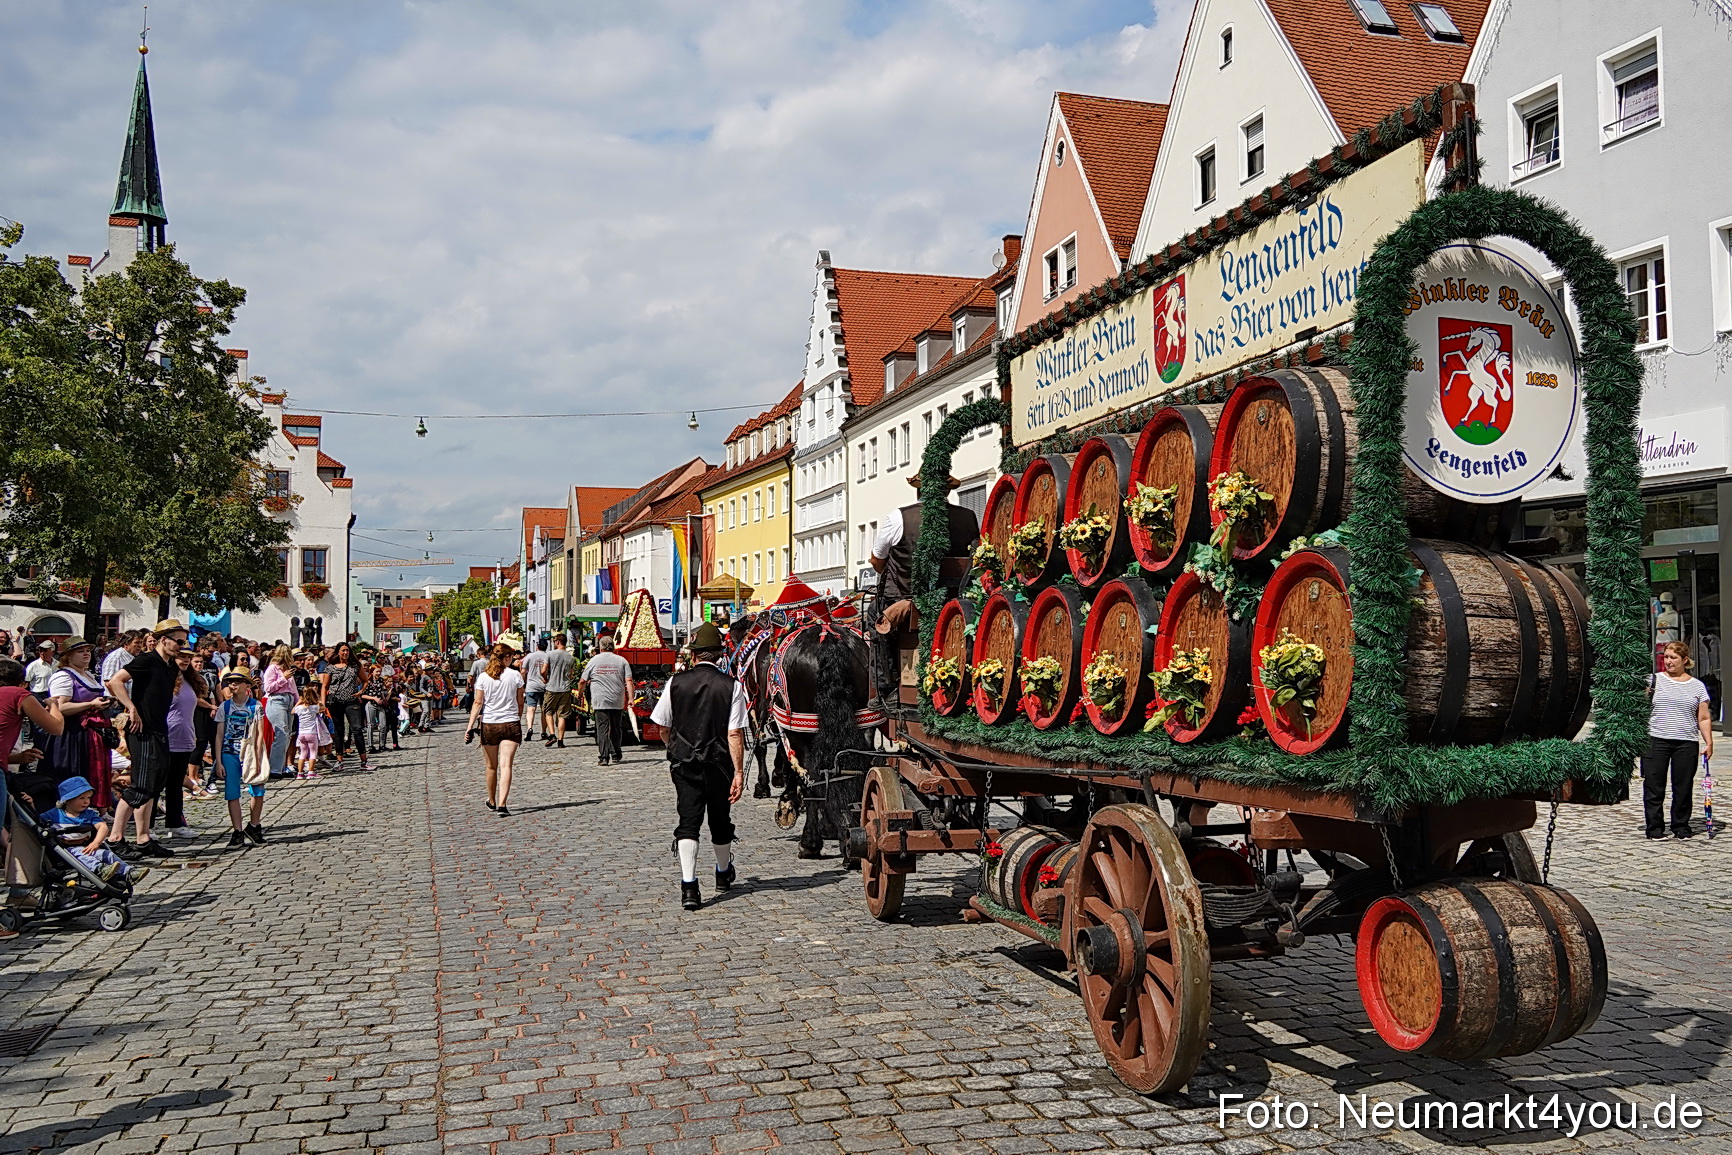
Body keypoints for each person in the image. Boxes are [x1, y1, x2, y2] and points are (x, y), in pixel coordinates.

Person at [650, 622, 748, 911]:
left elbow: (662, 725)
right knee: (720, 819)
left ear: (694, 655)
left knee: (688, 821)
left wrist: (674, 748)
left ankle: (689, 887)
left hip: (684, 764)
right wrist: (740, 772)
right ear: (719, 655)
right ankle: (721, 873)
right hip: (719, 764)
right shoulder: (732, 686)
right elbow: (734, 734)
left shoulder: (675, 683)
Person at [868, 472, 979, 699]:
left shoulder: (900, 517)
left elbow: (877, 560)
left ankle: (885, 688)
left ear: (919, 490)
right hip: (955, 599)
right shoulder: (969, 517)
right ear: (947, 492)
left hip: (906, 600)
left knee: (873, 615)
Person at [105, 619, 189, 861]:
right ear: (164, 639)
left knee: (154, 784)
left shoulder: (170, 666)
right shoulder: (147, 660)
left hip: (158, 729)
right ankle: (116, 838)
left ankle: (143, 839)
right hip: (142, 730)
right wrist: (130, 707)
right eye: (178, 642)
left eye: (184, 642)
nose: (181, 646)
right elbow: (115, 681)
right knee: (140, 784)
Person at [1643, 640, 1713, 840]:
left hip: (1686, 741)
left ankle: (1681, 825)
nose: (1668, 661)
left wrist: (1709, 742)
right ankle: (1654, 828)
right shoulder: (1653, 681)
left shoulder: (1697, 687)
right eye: (1666, 657)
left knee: (1682, 787)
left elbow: (1704, 717)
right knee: (1654, 786)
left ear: (1684, 660)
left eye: (1673, 657)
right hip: (1656, 739)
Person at [43, 637, 117, 812]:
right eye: (80, 651)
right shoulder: (63, 676)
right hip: (74, 735)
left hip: (93, 733)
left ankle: (99, 808)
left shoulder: (87, 674)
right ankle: (80, 811)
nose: (86, 654)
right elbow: (59, 707)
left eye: (87, 650)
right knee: (81, 771)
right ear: (68, 656)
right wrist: (92, 705)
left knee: (98, 771)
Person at [43, 776, 144, 883]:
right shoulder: (55, 814)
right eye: (82, 798)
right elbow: (37, 820)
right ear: (67, 800)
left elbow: (102, 827)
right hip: (65, 852)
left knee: (107, 854)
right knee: (77, 852)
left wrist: (96, 842)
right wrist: (31, 805)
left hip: (88, 848)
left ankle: (128, 872)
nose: (86, 802)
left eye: (88, 798)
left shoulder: (89, 814)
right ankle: (99, 869)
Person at [466, 644, 525, 817]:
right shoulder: (515, 675)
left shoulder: (484, 677)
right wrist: (517, 717)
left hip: (490, 724)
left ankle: (491, 800)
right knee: (506, 765)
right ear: (506, 657)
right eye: (511, 657)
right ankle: (502, 804)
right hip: (511, 723)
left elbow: (477, 703)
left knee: (491, 766)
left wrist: (469, 727)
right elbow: (520, 701)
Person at [215, 672, 267, 847]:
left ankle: (254, 825)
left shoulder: (255, 706)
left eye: (237, 681)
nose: (233, 685)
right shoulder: (225, 707)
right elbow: (219, 735)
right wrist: (219, 761)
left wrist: (258, 756)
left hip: (250, 753)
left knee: (257, 788)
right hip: (230, 753)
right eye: (230, 682)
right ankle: (237, 830)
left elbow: (259, 734)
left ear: (247, 685)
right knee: (232, 792)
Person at [580, 637, 634, 766]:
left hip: (600, 699)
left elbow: (582, 680)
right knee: (616, 727)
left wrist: (580, 693)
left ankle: (604, 757)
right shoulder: (622, 661)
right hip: (617, 699)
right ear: (613, 647)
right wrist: (631, 698)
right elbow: (629, 681)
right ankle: (616, 753)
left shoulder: (594, 660)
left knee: (602, 728)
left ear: (600, 647)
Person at [320, 642, 369, 772]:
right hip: (335, 701)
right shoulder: (330, 667)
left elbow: (365, 680)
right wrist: (323, 704)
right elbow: (325, 686)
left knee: (357, 729)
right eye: (343, 651)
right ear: (338, 652)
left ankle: (364, 760)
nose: (345, 653)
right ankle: (340, 760)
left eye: (347, 650)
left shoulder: (355, 666)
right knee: (338, 731)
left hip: (351, 700)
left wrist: (360, 692)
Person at [261, 645, 298, 780]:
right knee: (281, 733)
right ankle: (274, 768)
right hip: (276, 700)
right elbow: (268, 688)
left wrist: (298, 703)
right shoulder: (272, 669)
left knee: (287, 735)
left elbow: (293, 689)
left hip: (289, 700)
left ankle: (281, 766)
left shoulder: (288, 669)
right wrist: (283, 678)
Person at [542, 634, 576, 748]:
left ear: (557, 642)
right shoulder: (570, 657)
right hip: (565, 689)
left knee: (548, 712)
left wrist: (546, 678)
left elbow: (543, 670)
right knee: (562, 715)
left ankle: (552, 734)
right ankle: (561, 740)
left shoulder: (550, 654)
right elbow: (571, 674)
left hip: (552, 687)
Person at [291, 685, 330, 779]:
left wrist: (298, 702)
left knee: (303, 753)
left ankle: (300, 773)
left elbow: (292, 711)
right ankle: (311, 772)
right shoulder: (314, 708)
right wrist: (318, 700)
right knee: (312, 753)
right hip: (311, 733)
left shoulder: (299, 708)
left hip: (301, 734)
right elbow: (323, 708)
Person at [521, 640, 550, 741]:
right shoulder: (548, 656)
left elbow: (523, 671)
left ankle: (529, 728)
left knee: (531, 709)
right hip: (545, 686)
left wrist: (524, 683)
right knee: (544, 710)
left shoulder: (530, 656)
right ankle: (543, 732)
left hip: (531, 686)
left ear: (537, 646)